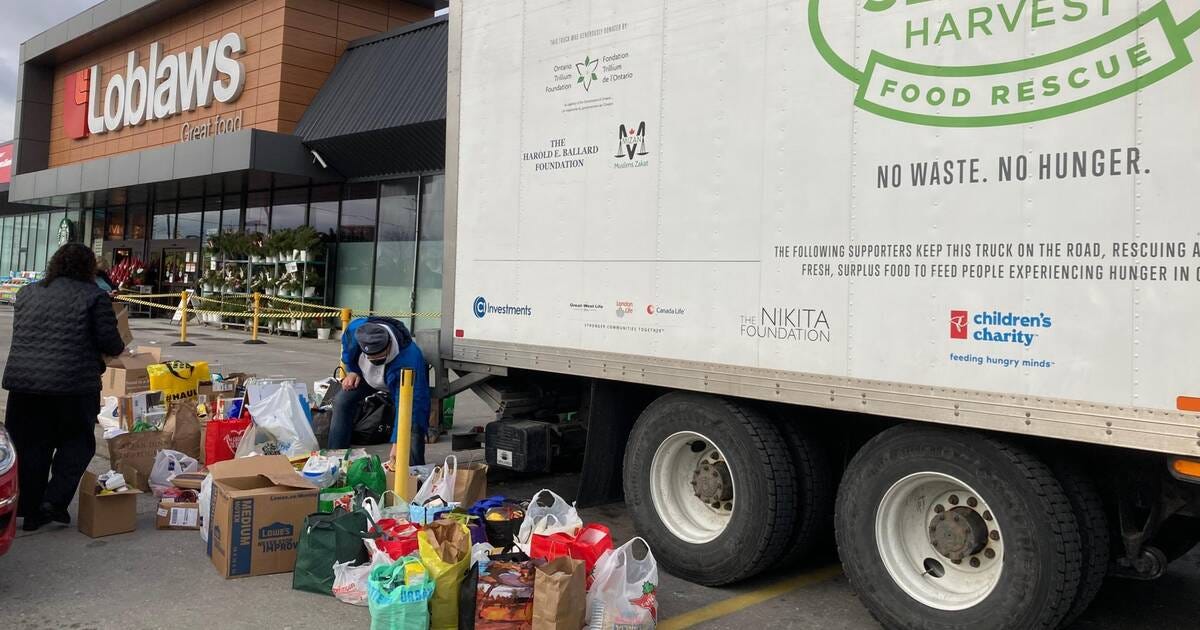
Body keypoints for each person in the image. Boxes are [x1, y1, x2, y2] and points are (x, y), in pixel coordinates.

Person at [2, 244, 125, 531]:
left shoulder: (27, 293)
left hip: (25, 385)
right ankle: (53, 501)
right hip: (74, 385)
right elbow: (112, 344)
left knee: (31, 446)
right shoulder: (95, 296)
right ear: (88, 267)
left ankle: (29, 509)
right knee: (77, 443)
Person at [330, 317, 430, 465]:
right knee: (341, 401)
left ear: (389, 343)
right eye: (372, 359)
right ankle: (336, 460)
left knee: (413, 427)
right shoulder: (357, 330)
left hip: (399, 381)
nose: (376, 361)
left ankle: (414, 474)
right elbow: (347, 345)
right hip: (366, 376)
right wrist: (353, 371)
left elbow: (412, 407)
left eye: (381, 358)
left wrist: (398, 444)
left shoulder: (410, 358)